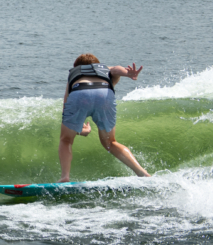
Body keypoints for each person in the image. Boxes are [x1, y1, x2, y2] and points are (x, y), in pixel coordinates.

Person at [59, 53, 150, 182]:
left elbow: (67, 104)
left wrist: (78, 129)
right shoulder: (104, 69)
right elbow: (116, 69)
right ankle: (142, 173)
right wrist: (127, 73)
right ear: (97, 64)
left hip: (80, 92)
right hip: (104, 94)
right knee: (110, 142)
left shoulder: (75, 73)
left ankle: (65, 177)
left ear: (77, 67)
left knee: (66, 140)